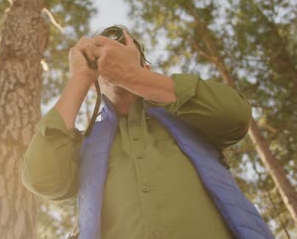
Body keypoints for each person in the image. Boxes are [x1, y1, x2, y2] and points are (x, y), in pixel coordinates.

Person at [21, 26, 258, 238]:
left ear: (146, 67)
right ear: (95, 85)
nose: (110, 57)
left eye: (120, 50)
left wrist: (131, 76)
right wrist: (80, 78)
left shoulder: (187, 115)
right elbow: (42, 179)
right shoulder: (83, 146)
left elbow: (236, 117)